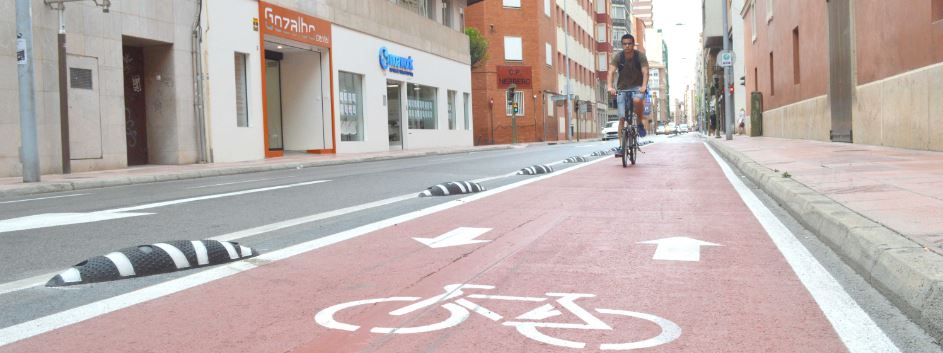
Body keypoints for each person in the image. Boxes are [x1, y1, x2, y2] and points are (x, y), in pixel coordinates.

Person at [607, 34, 649, 157]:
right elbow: (611, 72)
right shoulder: (618, 57)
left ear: (633, 44)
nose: (627, 46)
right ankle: (621, 146)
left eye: (629, 43)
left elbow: (645, 72)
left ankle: (640, 123)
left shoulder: (640, 56)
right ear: (622, 45)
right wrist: (610, 87)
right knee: (621, 118)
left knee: (637, 101)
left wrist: (644, 86)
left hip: (637, 87)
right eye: (625, 44)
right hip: (622, 88)